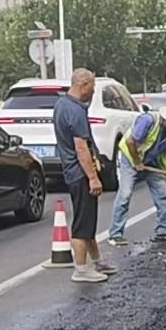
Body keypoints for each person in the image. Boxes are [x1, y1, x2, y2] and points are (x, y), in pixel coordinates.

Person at [53, 68, 117, 282]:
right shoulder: (75, 111)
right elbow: (81, 147)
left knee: (88, 221)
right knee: (82, 223)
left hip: (73, 171)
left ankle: (97, 261)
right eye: (93, 86)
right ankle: (81, 269)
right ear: (83, 85)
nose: (94, 91)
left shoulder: (62, 104)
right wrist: (93, 177)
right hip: (79, 173)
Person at [108, 103, 166, 246]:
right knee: (125, 194)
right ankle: (115, 234)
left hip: (152, 162)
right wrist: (137, 162)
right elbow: (131, 142)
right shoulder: (148, 120)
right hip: (131, 159)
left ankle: (163, 231)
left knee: (163, 194)